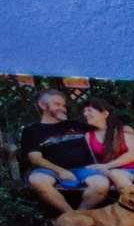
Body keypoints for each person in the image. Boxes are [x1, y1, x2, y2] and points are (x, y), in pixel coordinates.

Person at [16, 89, 107, 217]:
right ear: (43, 105)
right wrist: (61, 170)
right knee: (37, 180)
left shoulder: (75, 125)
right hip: (50, 170)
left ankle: (77, 217)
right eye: (57, 104)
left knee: (101, 185)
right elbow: (35, 158)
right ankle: (70, 216)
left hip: (83, 169)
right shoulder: (32, 130)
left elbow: (105, 128)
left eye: (63, 105)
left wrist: (129, 133)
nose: (63, 108)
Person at [76, 95, 134, 214]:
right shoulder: (89, 136)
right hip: (116, 171)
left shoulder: (124, 130)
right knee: (120, 180)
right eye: (84, 111)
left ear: (105, 114)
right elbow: (95, 161)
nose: (85, 114)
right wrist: (103, 169)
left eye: (89, 110)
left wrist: (108, 165)